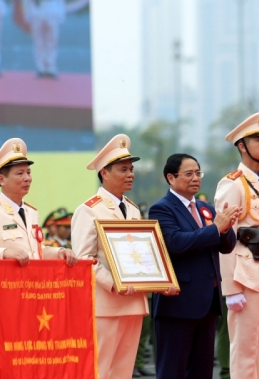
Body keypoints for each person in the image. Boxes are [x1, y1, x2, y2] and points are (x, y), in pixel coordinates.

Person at [0, 138, 76, 375]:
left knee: (34, 368)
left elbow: (35, 252)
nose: (27, 178)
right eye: (20, 173)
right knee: (6, 369)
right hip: (5, 305)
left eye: (29, 172)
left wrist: (58, 253)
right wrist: (4, 252)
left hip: (35, 303)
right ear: (1, 179)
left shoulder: (32, 213)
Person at [70, 134, 161, 379]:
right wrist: (113, 283)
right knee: (100, 369)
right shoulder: (89, 210)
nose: (130, 174)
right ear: (104, 173)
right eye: (123, 169)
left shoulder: (132, 209)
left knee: (123, 370)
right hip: (105, 303)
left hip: (133, 301)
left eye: (131, 169)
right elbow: (83, 258)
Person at [148, 153, 239, 379]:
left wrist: (226, 229)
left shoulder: (204, 208)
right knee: (173, 370)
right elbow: (175, 243)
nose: (195, 178)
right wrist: (215, 229)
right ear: (171, 177)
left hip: (207, 301)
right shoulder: (161, 209)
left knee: (202, 370)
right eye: (188, 173)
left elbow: (226, 247)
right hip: (178, 303)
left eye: (198, 173)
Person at [213, 112, 259, 379]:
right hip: (245, 276)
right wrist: (230, 288)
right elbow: (224, 237)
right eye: (258, 139)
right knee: (244, 351)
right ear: (242, 146)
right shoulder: (232, 184)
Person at [22, 0, 65, 78]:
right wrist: (27, 13)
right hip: (37, 8)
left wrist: (61, 13)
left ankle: (51, 67)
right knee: (38, 40)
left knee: (52, 39)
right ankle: (40, 67)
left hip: (52, 7)